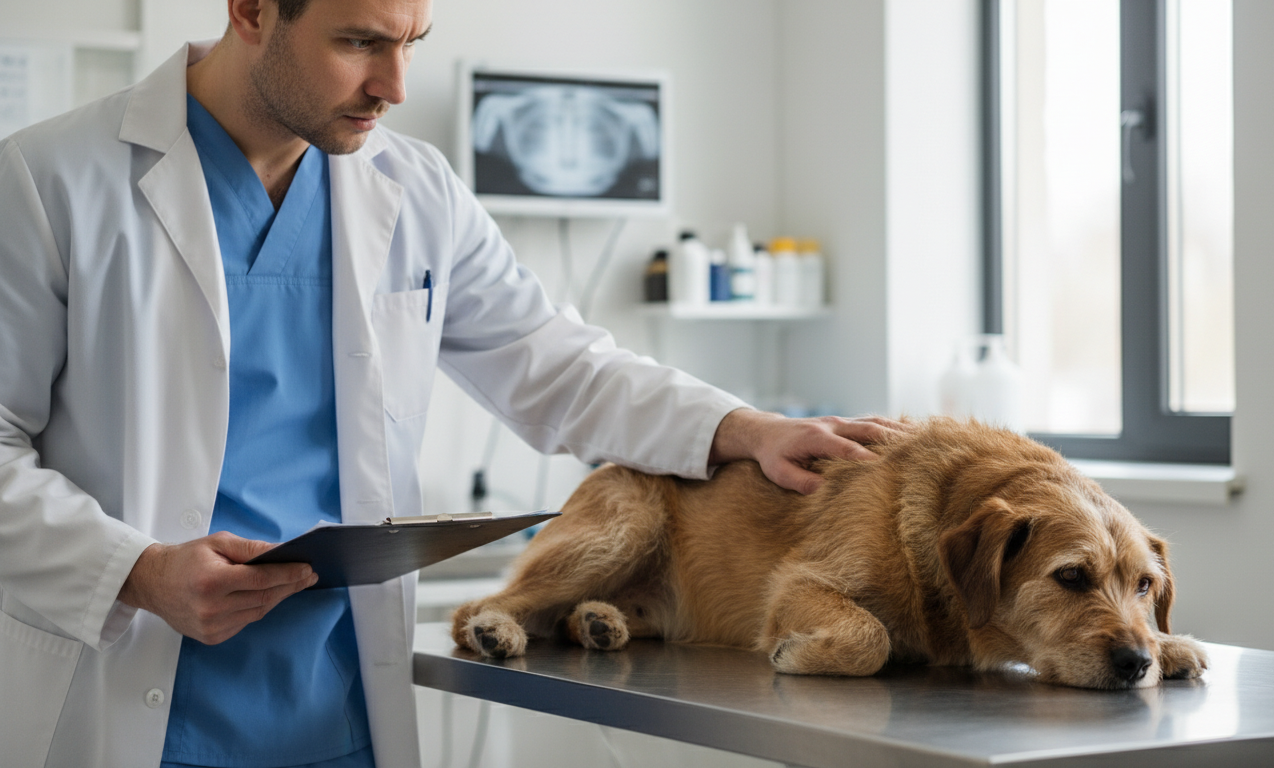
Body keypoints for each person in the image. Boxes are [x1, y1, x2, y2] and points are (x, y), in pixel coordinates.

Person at [0, 0, 899, 766]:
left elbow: (552, 360)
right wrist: (139, 571)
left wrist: (744, 428)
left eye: (412, 43)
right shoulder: (52, 181)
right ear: (251, 10)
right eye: (359, 41)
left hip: (341, 701)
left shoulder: (413, 186)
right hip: (137, 694)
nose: (394, 85)